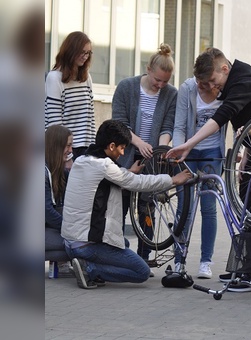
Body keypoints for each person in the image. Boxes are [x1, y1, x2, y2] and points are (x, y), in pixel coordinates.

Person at [165, 47, 251, 292]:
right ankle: (244, 271)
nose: (213, 87)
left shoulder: (241, 84)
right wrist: (247, 153)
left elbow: (220, 118)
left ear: (225, 69)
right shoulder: (238, 82)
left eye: (214, 81)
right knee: (246, 212)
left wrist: (188, 144)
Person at [61, 120, 192, 289]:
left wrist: (128, 172)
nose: (123, 153)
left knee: (124, 243)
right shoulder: (104, 165)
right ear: (112, 145)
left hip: (70, 243)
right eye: (122, 148)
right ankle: (90, 269)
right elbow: (137, 183)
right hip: (86, 245)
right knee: (141, 272)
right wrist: (173, 179)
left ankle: (86, 264)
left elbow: (104, 180)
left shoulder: (82, 160)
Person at [112, 43, 178, 268]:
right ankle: (118, 254)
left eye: (165, 82)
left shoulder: (171, 94)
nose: (160, 85)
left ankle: (144, 257)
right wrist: (139, 143)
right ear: (148, 69)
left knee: (147, 207)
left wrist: (161, 150)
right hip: (126, 155)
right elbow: (119, 123)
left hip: (152, 159)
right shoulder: (126, 87)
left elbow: (168, 126)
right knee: (118, 206)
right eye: (156, 80)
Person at [171, 54, 228, 279]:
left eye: (207, 82)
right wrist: (178, 151)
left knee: (208, 206)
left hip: (213, 153)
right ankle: (179, 258)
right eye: (200, 82)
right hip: (188, 150)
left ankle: (206, 261)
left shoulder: (223, 89)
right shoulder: (188, 89)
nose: (204, 86)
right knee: (184, 204)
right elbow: (178, 125)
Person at [45, 31, 95, 160]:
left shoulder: (86, 77)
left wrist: (93, 150)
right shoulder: (54, 78)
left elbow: (90, 118)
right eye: (82, 52)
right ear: (71, 51)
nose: (85, 56)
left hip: (85, 149)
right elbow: (55, 124)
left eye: (88, 53)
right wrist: (67, 157)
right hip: (62, 150)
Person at [45, 125, 73, 276]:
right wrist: (71, 229)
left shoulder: (61, 172)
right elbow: (46, 211)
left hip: (46, 229)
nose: (70, 151)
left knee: (81, 246)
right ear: (56, 146)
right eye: (68, 146)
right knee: (79, 246)